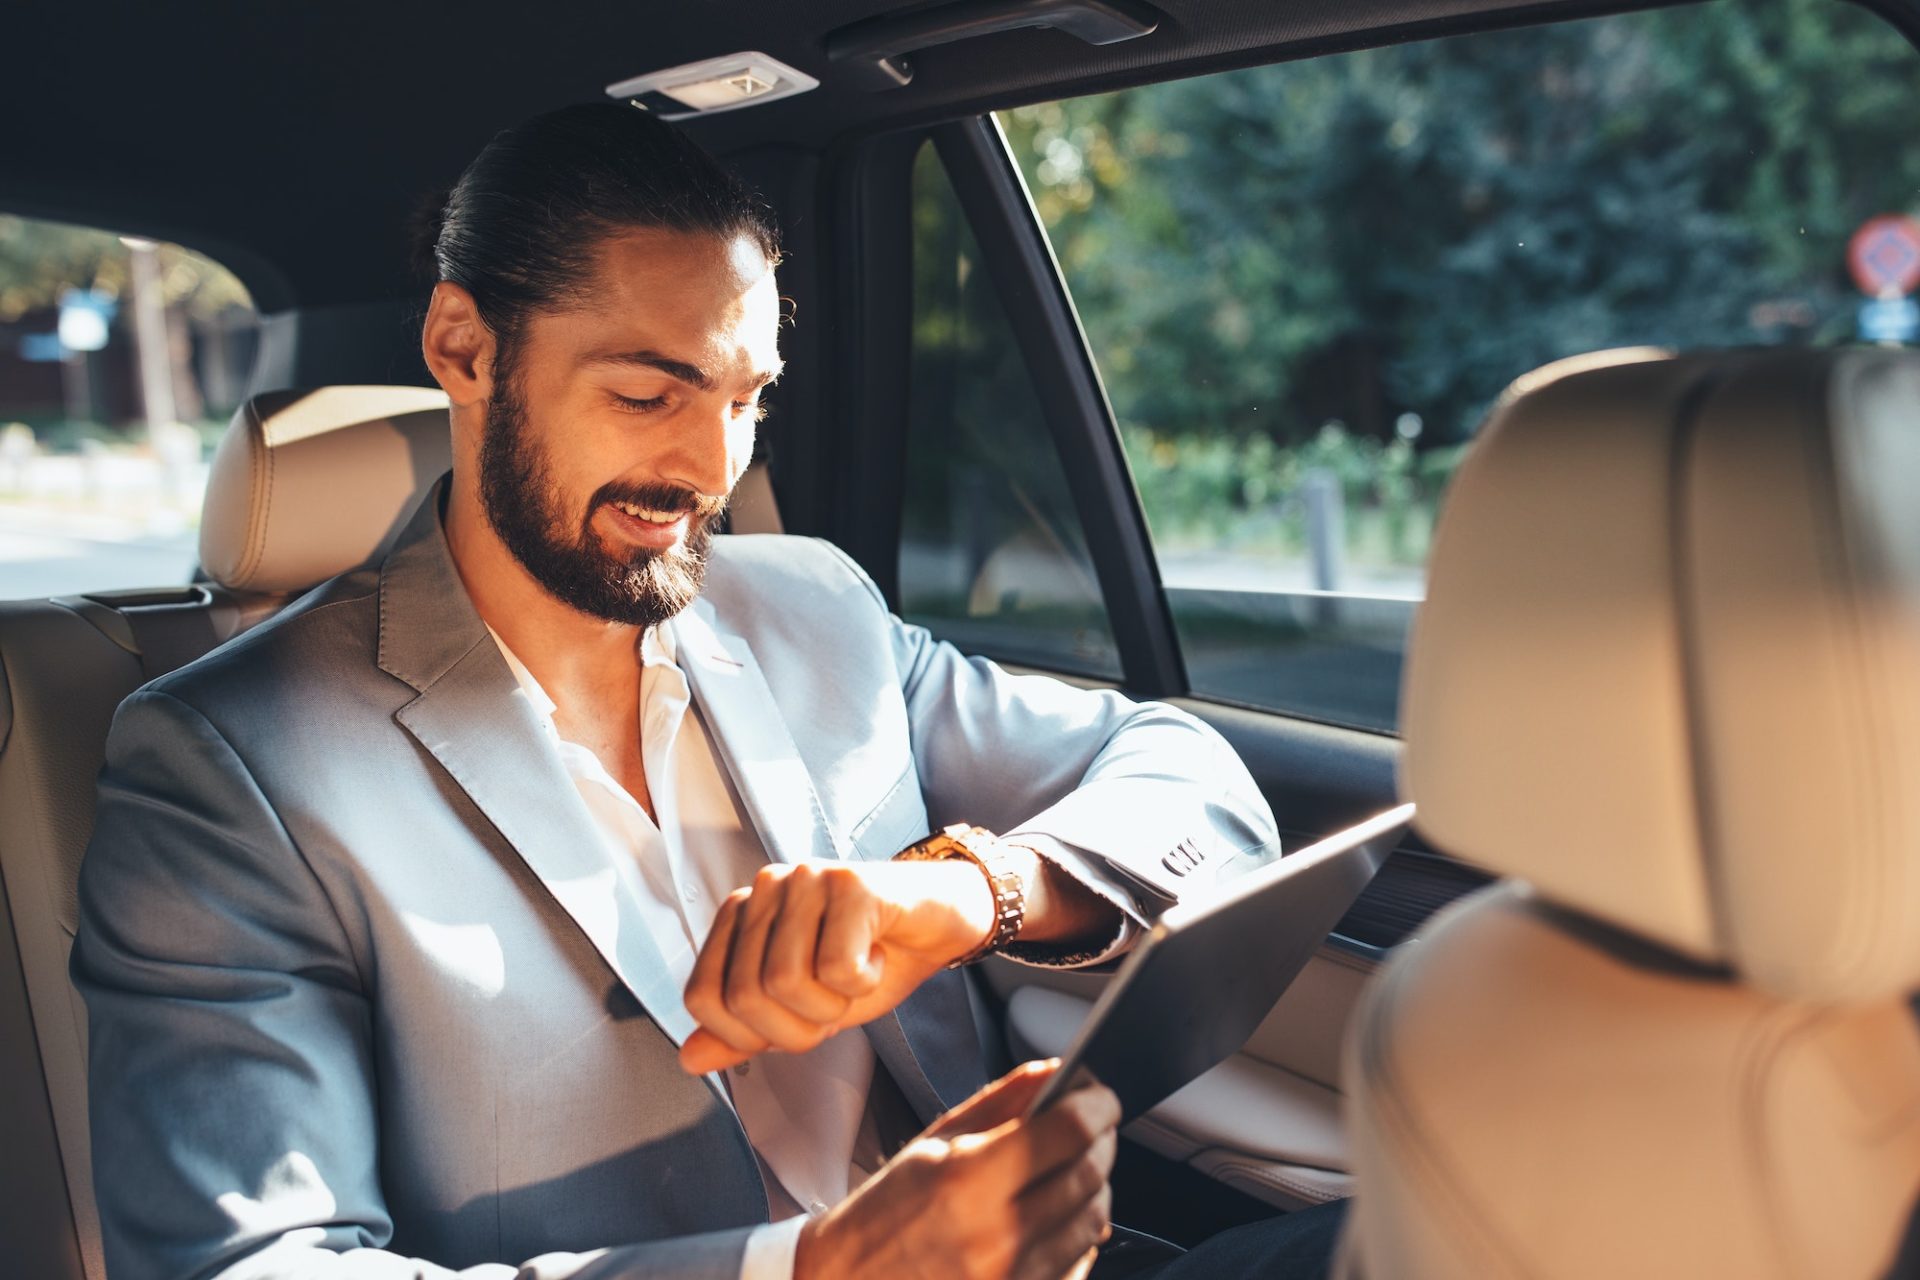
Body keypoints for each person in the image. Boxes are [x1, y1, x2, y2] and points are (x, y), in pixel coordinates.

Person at [71, 103, 1348, 1280]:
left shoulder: (811, 605)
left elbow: (1190, 775)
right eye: (647, 393)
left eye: (747, 399)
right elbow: (249, 1265)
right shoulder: (233, 762)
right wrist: (822, 1266)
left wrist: (965, 892)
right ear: (464, 349)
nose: (710, 465)